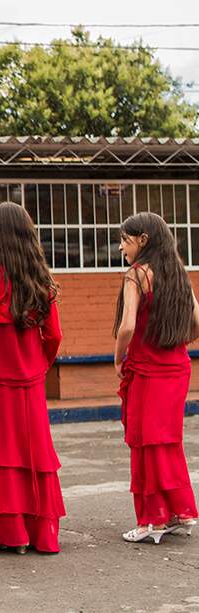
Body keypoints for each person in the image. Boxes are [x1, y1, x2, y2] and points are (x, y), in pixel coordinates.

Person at [0, 202, 65, 554]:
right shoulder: (41, 278)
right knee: (36, 450)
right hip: (32, 376)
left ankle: (10, 533)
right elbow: (54, 335)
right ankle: (41, 534)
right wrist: (40, 362)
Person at [113, 212, 198, 544]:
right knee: (167, 441)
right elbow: (197, 321)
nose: (122, 248)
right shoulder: (177, 273)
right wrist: (177, 341)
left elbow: (128, 326)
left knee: (146, 443)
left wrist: (119, 358)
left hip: (148, 369)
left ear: (142, 240)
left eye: (125, 240)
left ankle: (153, 520)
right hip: (177, 366)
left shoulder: (137, 275)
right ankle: (181, 512)